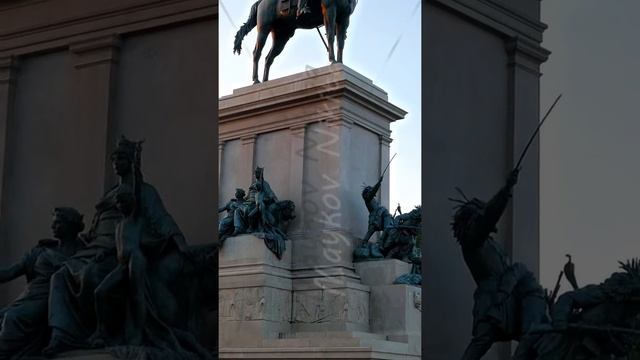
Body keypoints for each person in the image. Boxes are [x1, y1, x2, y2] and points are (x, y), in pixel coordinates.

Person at [44, 136, 190, 355]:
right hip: (93, 249)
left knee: (92, 276)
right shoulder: (109, 195)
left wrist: (180, 243)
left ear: (131, 161)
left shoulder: (143, 192)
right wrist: (64, 241)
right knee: (59, 277)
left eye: (121, 158)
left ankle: (104, 333)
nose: (116, 163)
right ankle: (61, 335)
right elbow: (92, 232)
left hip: (115, 254)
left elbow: (161, 219)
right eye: (114, 159)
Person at [451, 169, 548, 360]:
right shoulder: (472, 241)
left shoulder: (489, 242)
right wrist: (506, 190)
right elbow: (490, 215)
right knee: (481, 342)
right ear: (472, 220)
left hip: (508, 298)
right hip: (492, 301)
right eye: (480, 215)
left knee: (534, 338)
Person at [0, 208, 84, 359]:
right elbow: (10, 272)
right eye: (53, 223)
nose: (53, 227)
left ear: (71, 225)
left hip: (50, 300)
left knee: (13, 318)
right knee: (4, 316)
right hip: (29, 296)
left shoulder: (83, 252)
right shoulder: (40, 251)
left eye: (58, 223)